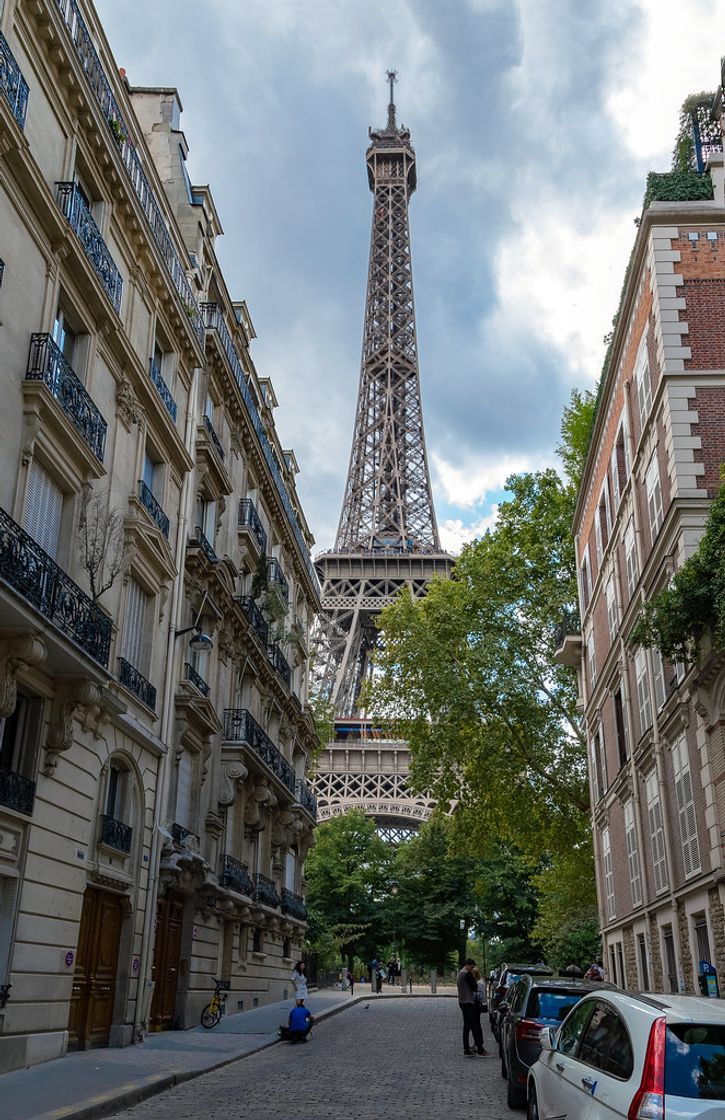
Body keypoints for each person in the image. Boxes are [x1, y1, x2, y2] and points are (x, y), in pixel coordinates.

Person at [457, 958, 489, 1057]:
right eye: (471, 967)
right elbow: (474, 987)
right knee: (474, 1025)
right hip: (468, 1002)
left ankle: (466, 1048)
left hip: (462, 1001)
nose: (472, 969)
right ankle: (480, 1049)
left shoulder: (460, 973)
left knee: (467, 1026)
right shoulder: (467, 974)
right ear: (467, 965)